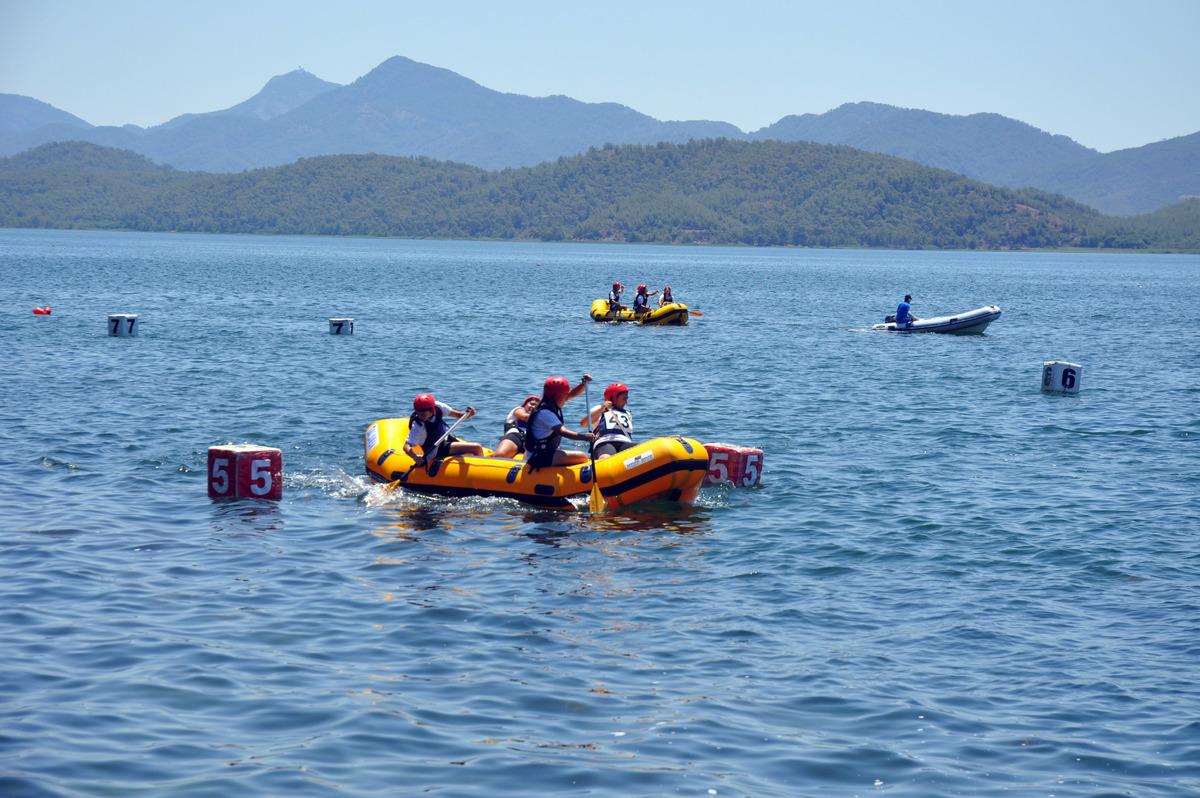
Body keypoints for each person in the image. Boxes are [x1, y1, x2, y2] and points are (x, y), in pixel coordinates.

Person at [525, 375, 595, 468]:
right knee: (582, 456)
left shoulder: (550, 403)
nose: (566, 399)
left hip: (543, 452)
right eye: (564, 396)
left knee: (577, 456)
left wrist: (583, 384)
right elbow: (563, 431)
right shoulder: (545, 413)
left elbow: (571, 395)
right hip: (538, 456)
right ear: (556, 396)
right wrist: (584, 437)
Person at [403, 393, 484, 469]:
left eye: (423, 414)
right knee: (476, 448)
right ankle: (483, 471)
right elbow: (406, 446)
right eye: (418, 412)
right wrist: (416, 458)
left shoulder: (439, 407)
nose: (420, 416)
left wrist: (469, 414)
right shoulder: (418, 427)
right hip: (436, 450)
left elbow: (458, 415)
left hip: (445, 439)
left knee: (470, 453)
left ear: (432, 409)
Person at [580, 382, 634, 459]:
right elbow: (583, 423)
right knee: (606, 457)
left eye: (626, 399)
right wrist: (601, 409)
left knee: (644, 452)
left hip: (625, 442)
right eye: (624, 399)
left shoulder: (627, 414)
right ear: (613, 398)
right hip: (605, 442)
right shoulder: (599, 409)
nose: (626, 402)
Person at [494, 394, 540, 459]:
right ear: (524, 405)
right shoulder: (518, 410)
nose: (533, 407)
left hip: (531, 440)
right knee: (500, 455)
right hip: (515, 436)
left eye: (536, 406)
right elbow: (525, 417)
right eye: (531, 404)